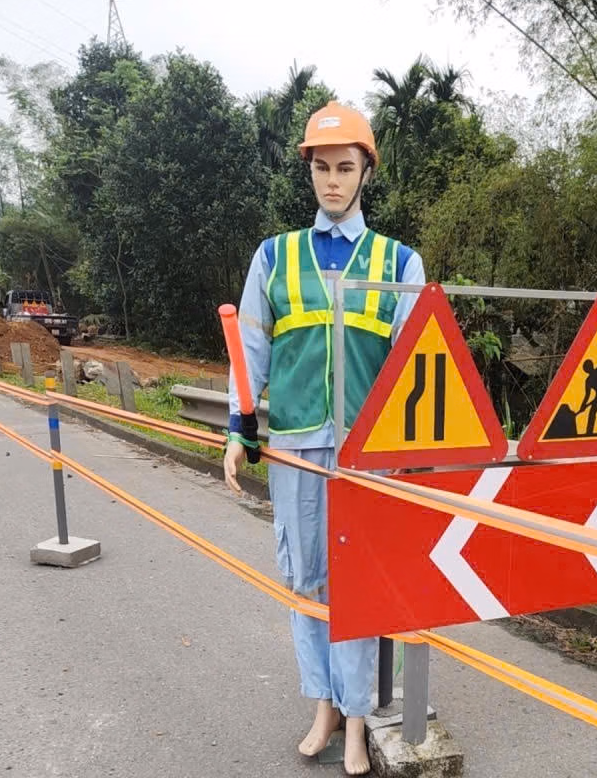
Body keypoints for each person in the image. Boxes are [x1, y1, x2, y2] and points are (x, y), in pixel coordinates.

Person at [222, 101, 425, 775]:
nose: (332, 181)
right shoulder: (275, 256)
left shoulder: (400, 262)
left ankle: (358, 718)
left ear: (366, 172)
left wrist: (411, 458)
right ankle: (324, 705)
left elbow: (414, 369)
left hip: (368, 455)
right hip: (296, 444)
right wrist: (236, 429)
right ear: (308, 171)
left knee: (358, 583)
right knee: (305, 576)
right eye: (322, 168)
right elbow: (250, 350)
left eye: (345, 168)